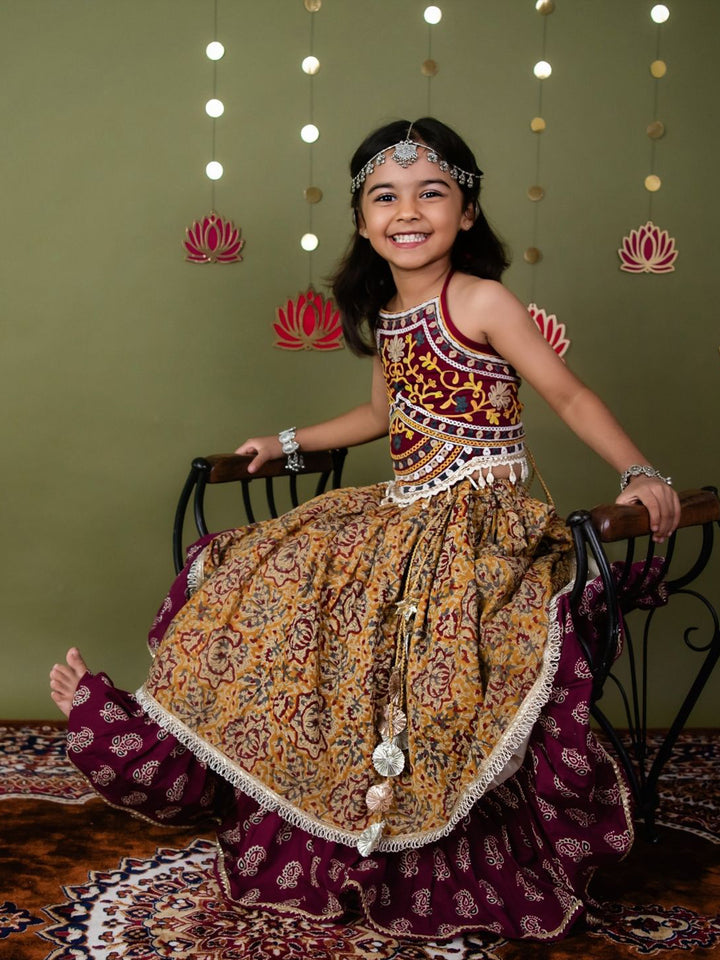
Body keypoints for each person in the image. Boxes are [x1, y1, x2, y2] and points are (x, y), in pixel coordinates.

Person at [50, 117, 680, 942]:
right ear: (361, 219)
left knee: (425, 630)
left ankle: (415, 821)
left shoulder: (481, 299)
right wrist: (286, 441)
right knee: (265, 572)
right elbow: (383, 416)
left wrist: (638, 470)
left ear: (466, 211)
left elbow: (566, 394)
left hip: (477, 521)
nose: (408, 211)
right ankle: (211, 753)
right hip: (403, 508)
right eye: (386, 196)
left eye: (432, 193)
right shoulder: (389, 315)